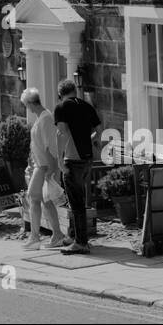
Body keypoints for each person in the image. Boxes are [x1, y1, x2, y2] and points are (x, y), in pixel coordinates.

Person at [54, 78, 102, 255]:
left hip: (72, 159)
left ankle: (81, 243)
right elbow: (98, 128)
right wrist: (92, 141)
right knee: (78, 198)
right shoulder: (86, 105)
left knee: (76, 202)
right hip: (87, 158)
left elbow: (62, 133)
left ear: (60, 94)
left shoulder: (61, 107)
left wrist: (60, 159)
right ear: (74, 91)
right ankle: (74, 236)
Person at [20, 88, 66, 251]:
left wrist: (51, 169)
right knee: (44, 201)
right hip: (39, 164)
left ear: (30, 104)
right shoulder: (43, 117)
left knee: (33, 197)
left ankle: (35, 237)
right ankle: (57, 235)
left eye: (26, 105)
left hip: (45, 166)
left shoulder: (46, 118)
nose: (27, 108)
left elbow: (50, 146)